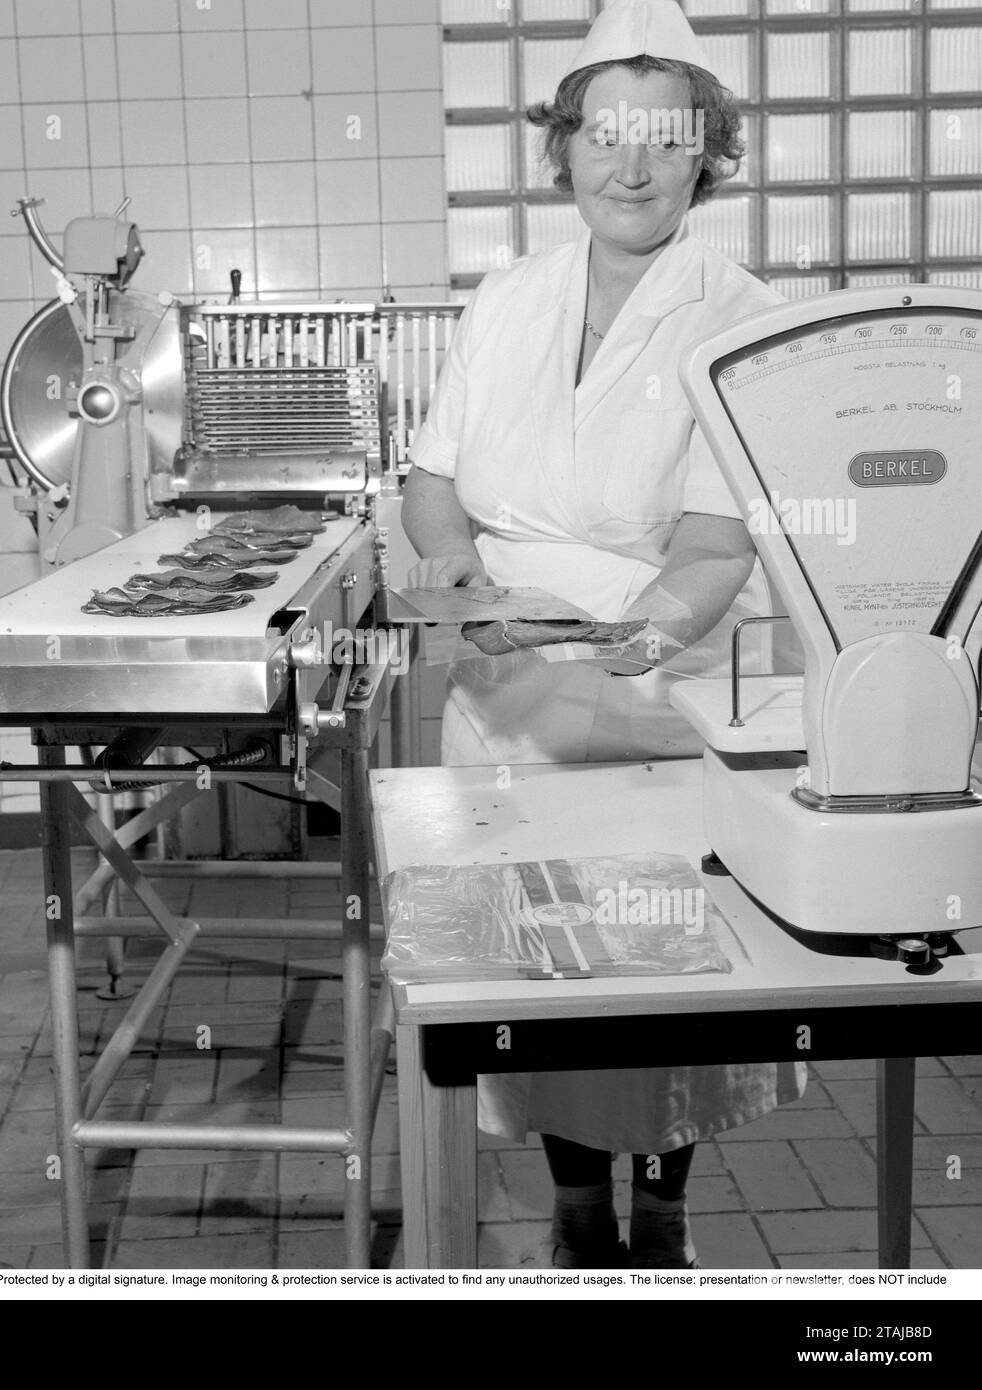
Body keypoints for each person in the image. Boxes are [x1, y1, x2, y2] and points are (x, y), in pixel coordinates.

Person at [402, 0, 805, 1269]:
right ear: (564, 146)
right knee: (540, 964)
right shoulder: (507, 297)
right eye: (604, 135)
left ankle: (666, 1204)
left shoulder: (740, 314)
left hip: (660, 695)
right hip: (507, 695)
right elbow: (434, 479)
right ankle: (579, 1202)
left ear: (706, 151)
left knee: (659, 968)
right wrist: (460, 567)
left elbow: (716, 540)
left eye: (665, 136)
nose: (631, 166)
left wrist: (644, 635)